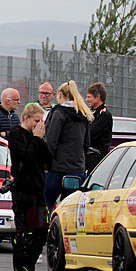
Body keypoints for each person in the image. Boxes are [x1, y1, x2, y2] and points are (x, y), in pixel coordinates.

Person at [8, 104, 53, 271]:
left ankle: (28, 270)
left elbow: (48, 160)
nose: (38, 125)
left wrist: (41, 141)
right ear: (26, 118)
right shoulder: (16, 134)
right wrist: (35, 139)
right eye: (36, 121)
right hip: (23, 191)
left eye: (40, 121)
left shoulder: (38, 137)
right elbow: (24, 157)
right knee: (24, 233)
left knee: (42, 231)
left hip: (38, 190)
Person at [44, 80, 93, 208]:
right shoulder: (83, 114)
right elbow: (86, 143)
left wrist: (46, 164)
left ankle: (45, 227)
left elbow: (51, 142)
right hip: (77, 170)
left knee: (45, 205)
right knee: (70, 208)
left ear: (60, 94)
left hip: (57, 169)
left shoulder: (58, 113)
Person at [85, 82, 113, 173]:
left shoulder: (104, 115)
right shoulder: (93, 113)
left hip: (96, 158)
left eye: (89, 97)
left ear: (98, 97)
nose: (87, 100)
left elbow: (91, 134)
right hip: (89, 157)